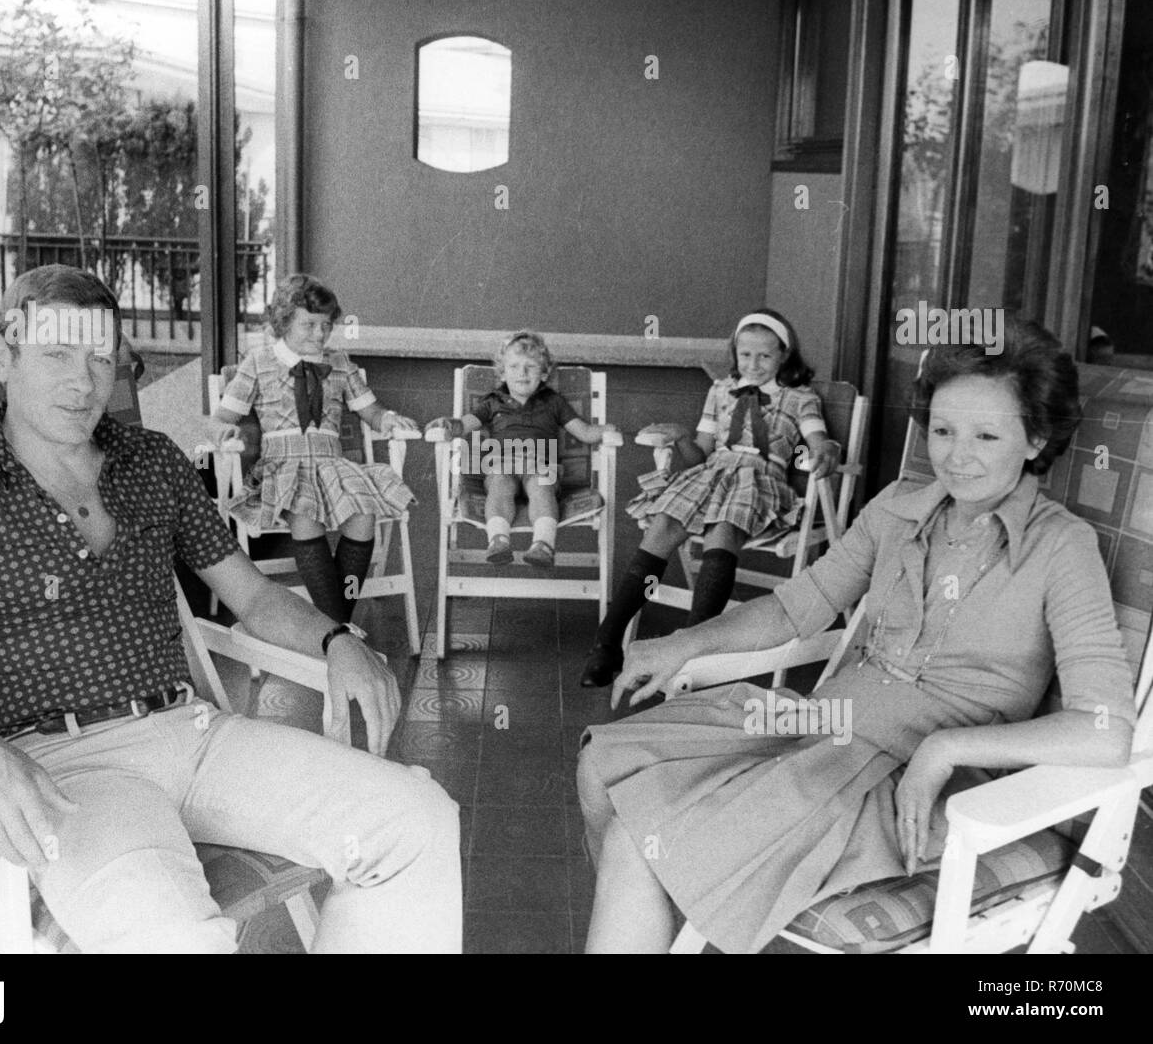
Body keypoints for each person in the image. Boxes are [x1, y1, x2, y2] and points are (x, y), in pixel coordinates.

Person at [0, 265, 461, 953]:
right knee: (178, 940)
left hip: (197, 734)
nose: (82, 381)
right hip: (66, 771)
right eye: (56, 353)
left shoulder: (152, 462)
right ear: (6, 357)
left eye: (99, 358)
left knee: (415, 819)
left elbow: (256, 598)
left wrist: (337, 641)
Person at [577, 320, 1135, 953]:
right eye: (945, 431)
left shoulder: (1061, 548)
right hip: (819, 726)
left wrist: (945, 748)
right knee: (604, 766)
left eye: (987, 434)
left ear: (1035, 438)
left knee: (642, 841)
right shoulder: (901, 506)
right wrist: (684, 643)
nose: (956, 455)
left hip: (905, 784)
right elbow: (797, 607)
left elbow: (1106, 730)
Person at [579, 309, 840, 688]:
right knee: (664, 524)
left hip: (759, 479)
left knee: (724, 528)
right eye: (745, 355)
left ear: (784, 354)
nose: (753, 364)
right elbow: (699, 453)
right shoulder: (719, 391)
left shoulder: (800, 398)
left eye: (765, 356)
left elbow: (818, 440)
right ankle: (607, 641)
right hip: (710, 474)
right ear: (735, 354)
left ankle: (692, 648)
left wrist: (826, 449)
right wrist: (682, 437)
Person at [211, 274, 420, 623]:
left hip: (333, 465)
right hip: (284, 468)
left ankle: (340, 617)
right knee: (306, 516)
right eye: (309, 325)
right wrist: (224, 430)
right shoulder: (258, 362)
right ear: (283, 323)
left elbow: (372, 412)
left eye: (326, 325)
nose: (320, 334)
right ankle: (337, 629)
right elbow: (219, 418)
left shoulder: (339, 363)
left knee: (363, 516)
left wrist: (389, 420)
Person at [426, 330, 616, 568]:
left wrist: (605, 430)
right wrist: (448, 423)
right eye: (514, 367)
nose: (522, 373)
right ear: (503, 373)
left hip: (541, 467)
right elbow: (464, 425)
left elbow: (585, 432)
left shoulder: (553, 402)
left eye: (530, 367)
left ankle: (543, 545)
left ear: (545, 372)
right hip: (501, 466)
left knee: (542, 486)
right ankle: (498, 540)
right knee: (499, 486)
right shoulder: (492, 402)